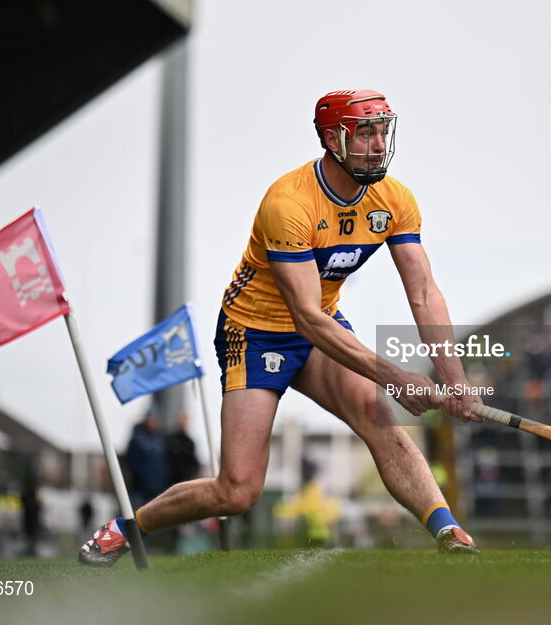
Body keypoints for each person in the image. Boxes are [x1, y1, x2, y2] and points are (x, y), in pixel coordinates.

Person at [80, 90, 482, 566]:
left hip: (322, 324)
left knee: (379, 421)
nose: (378, 144)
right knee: (238, 491)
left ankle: (448, 531)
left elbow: (424, 293)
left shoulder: (395, 199)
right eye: (365, 133)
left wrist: (454, 379)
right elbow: (306, 318)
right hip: (255, 332)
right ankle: (127, 528)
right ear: (333, 138)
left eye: (383, 131)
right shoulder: (288, 202)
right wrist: (395, 375)